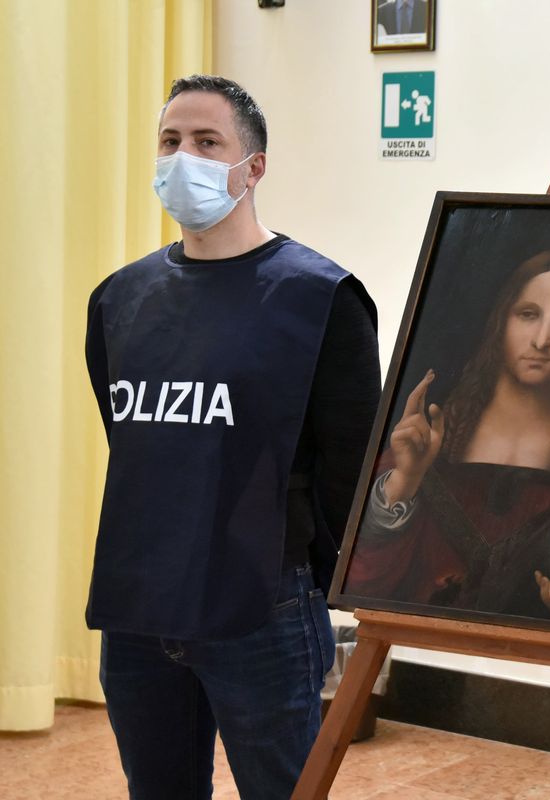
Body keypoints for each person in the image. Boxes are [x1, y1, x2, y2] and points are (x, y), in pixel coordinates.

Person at [85, 75, 381, 799]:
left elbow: (352, 460)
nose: (183, 156)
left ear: (253, 168)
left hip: (263, 609)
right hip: (139, 605)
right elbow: (132, 439)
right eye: (170, 141)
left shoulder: (318, 298)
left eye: (207, 141)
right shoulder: (119, 299)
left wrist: (327, 580)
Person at [344, 249, 550, 625]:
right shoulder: (429, 433)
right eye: (528, 314)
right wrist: (406, 479)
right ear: (502, 320)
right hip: (419, 648)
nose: (542, 340)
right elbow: (367, 581)